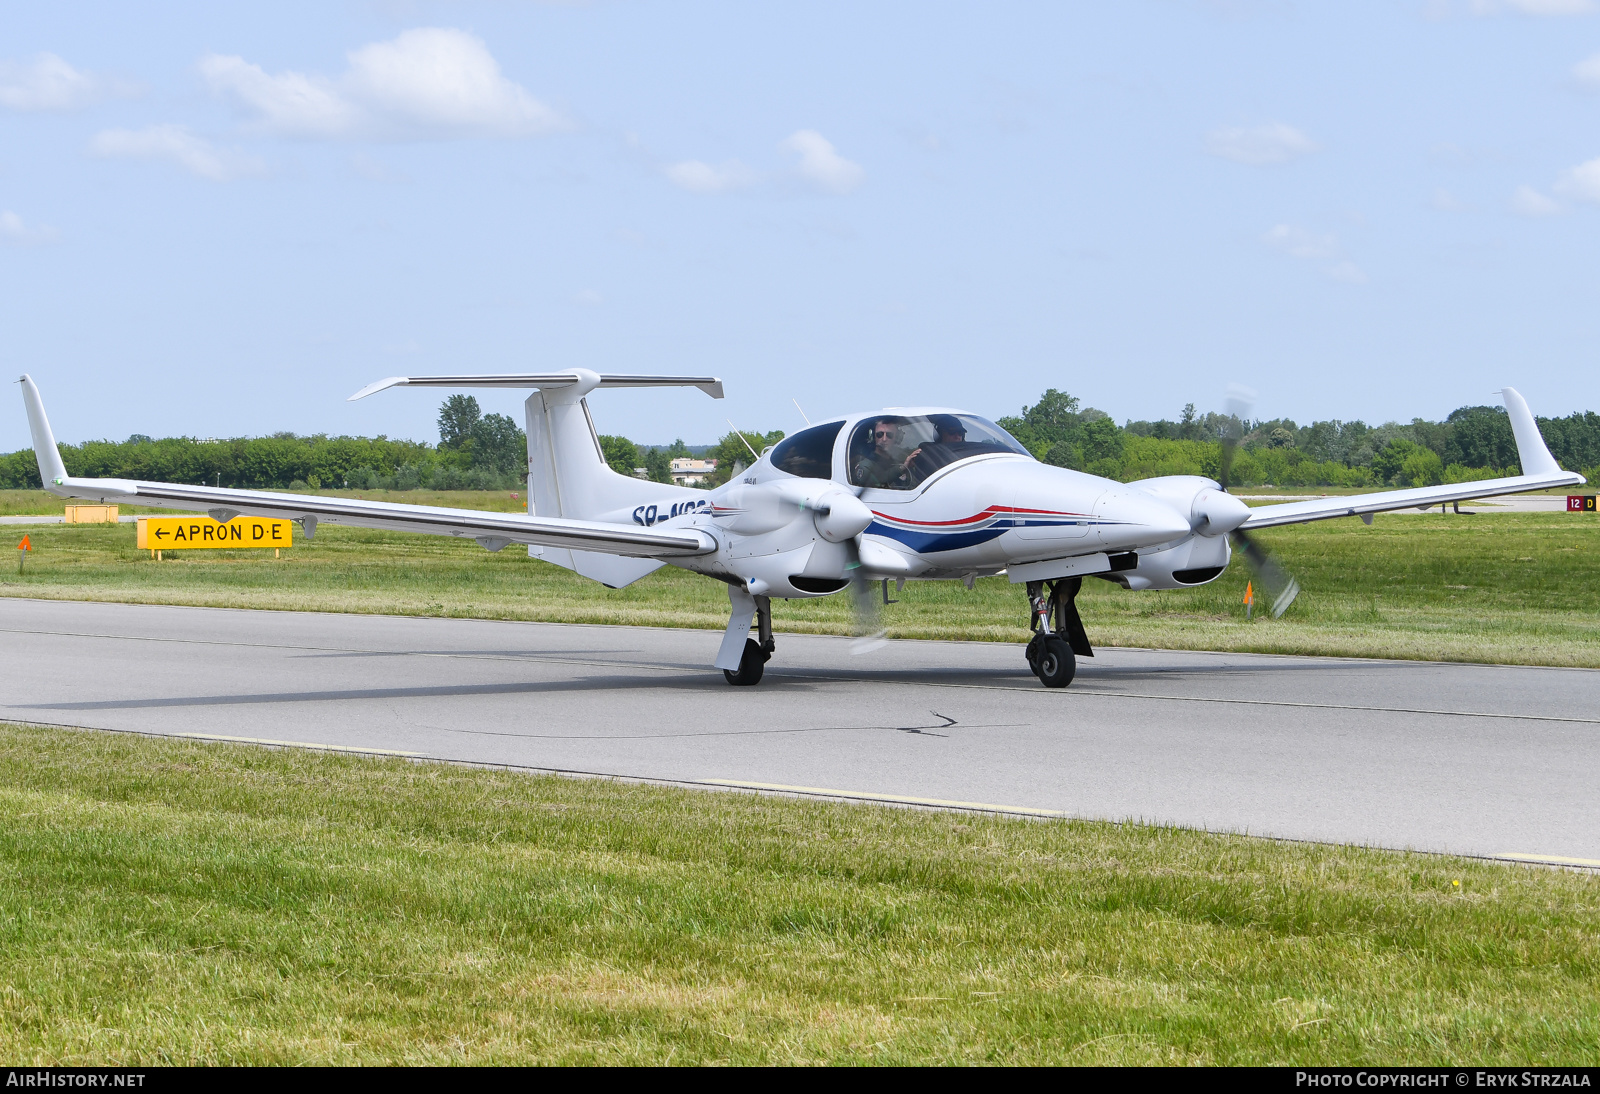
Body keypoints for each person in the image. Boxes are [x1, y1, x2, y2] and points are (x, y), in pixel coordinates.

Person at [853, 417, 913, 487]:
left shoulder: (897, 462)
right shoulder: (865, 466)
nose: (884, 439)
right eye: (880, 434)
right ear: (873, 437)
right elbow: (876, 485)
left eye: (889, 435)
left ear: (896, 438)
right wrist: (902, 468)